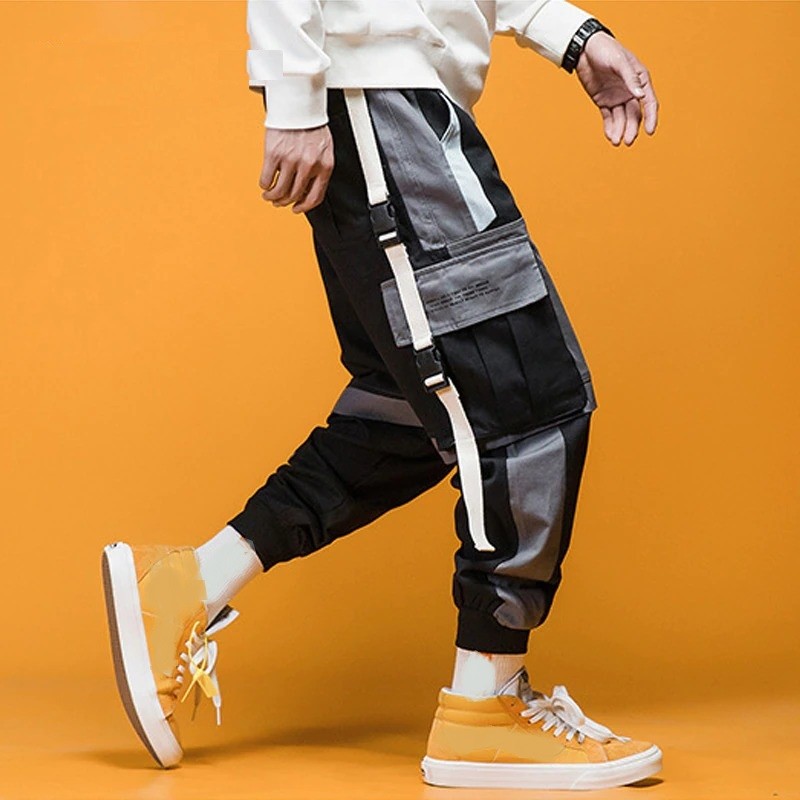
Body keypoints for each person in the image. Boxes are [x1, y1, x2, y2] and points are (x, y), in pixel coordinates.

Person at [101, 0, 661, 790]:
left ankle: (185, 587)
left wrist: (568, 32)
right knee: (527, 399)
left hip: (404, 99)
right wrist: (294, 98)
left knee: (408, 411)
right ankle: (485, 707)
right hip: (381, 98)